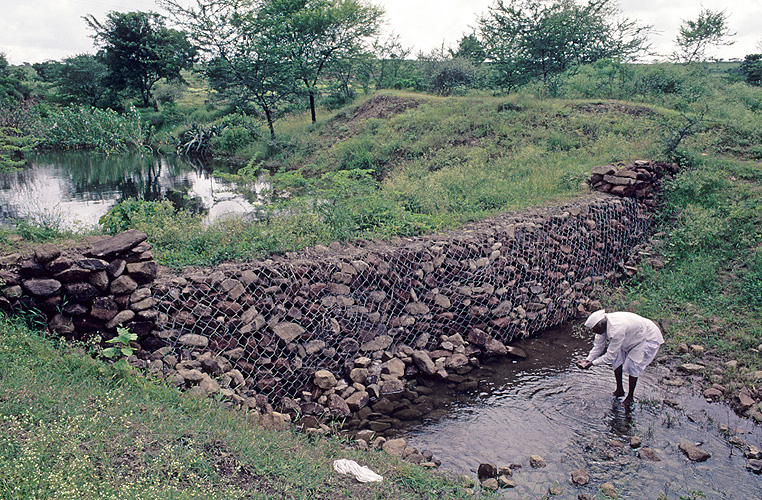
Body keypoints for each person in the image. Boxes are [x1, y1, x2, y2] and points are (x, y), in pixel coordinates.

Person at [576, 309, 664, 407]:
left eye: (594, 329)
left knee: (633, 366)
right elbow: (598, 347)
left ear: (602, 324)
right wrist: (588, 360)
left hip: (647, 337)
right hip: (632, 336)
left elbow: (609, 356)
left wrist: (592, 364)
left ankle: (630, 398)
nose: (593, 331)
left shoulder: (616, 329)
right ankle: (619, 390)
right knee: (617, 359)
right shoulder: (602, 327)